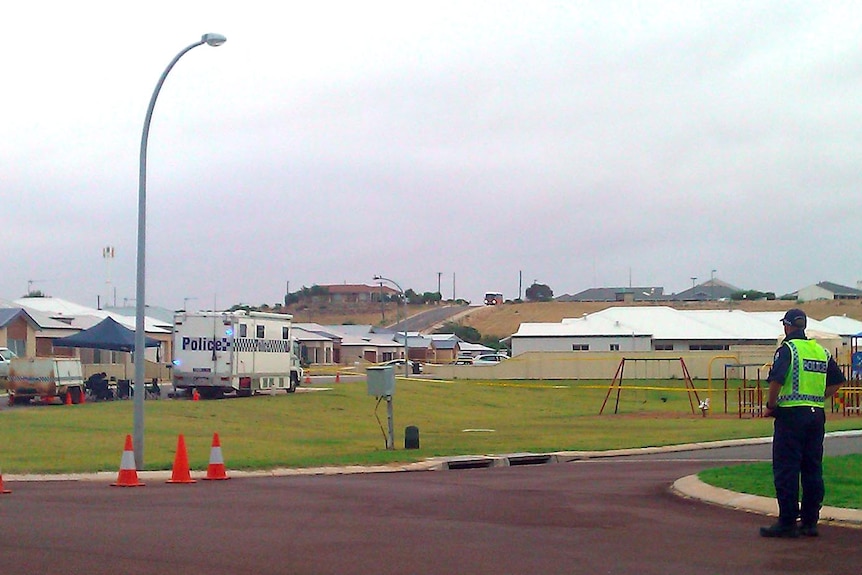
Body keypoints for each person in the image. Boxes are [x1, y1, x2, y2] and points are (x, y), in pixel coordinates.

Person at [760, 308, 845, 538]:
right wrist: (818, 398)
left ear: (787, 326)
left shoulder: (788, 349)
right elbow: (838, 382)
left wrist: (771, 405)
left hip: (791, 416)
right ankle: (809, 522)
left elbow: (777, 379)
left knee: (787, 468)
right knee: (812, 468)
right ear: (804, 326)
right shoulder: (820, 351)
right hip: (816, 415)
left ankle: (787, 522)